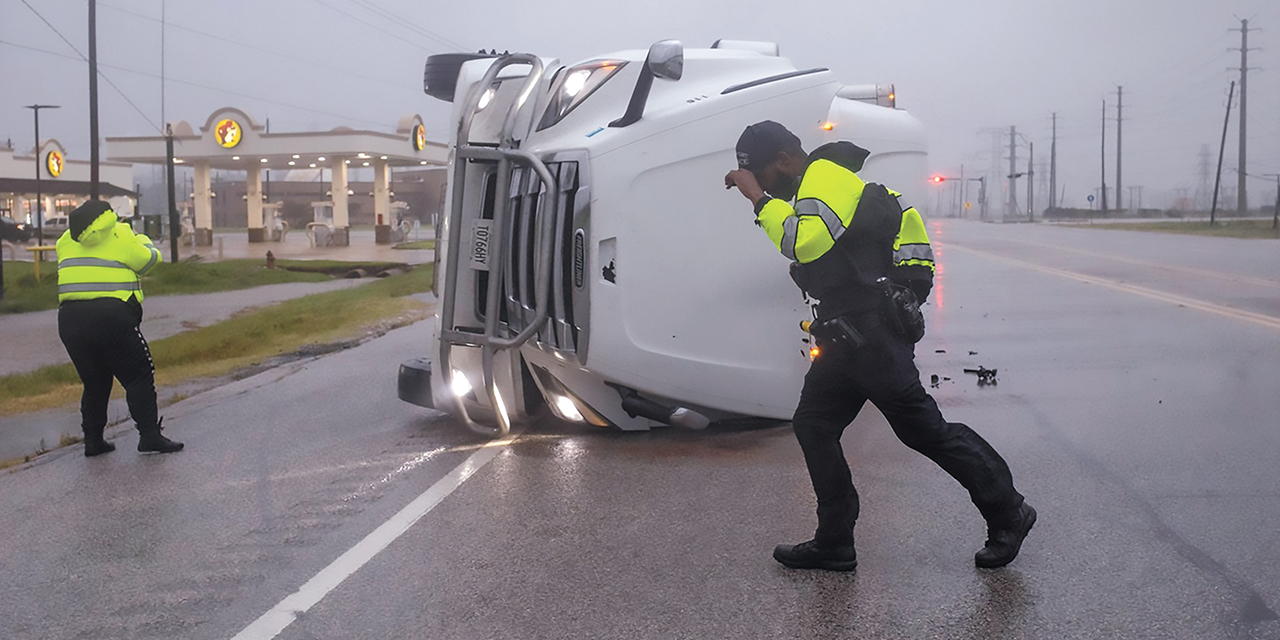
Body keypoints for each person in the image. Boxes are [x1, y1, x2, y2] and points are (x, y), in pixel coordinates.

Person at [724, 121, 1033, 570]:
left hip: (870, 338)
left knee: (925, 431)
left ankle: (1009, 511)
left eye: (763, 175)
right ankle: (834, 541)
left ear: (785, 160)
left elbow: (803, 244)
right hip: (845, 336)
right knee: (813, 424)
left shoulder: (823, 179)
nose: (763, 185)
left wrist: (758, 198)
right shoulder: (825, 184)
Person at [56, 200, 184, 456]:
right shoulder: (121, 234)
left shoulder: (65, 240)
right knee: (139, 375)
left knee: (94, 382)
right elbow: (149, 261)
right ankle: (149, 436)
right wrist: (144, 240)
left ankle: (93, 442)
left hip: (70, 321)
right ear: (108, 216)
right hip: (111, 318)